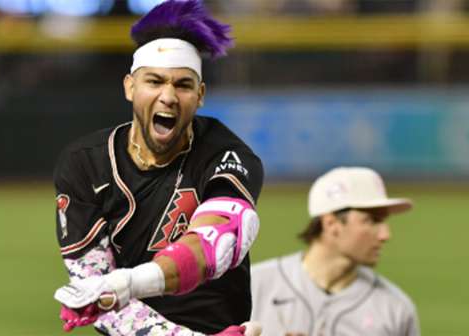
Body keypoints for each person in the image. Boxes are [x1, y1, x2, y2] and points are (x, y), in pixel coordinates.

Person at [51, 1, 264, 335]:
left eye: (183, 85)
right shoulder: (85, 164)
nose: (168, 96)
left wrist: (128, 282)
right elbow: (94, 291)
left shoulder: (224, 152)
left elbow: (215, 244)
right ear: (130, 87)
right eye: (154, 81)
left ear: (201, 94)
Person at [250, 167, 420, 336]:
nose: (385, 235)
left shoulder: (395, 309)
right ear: (331, 223)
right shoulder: (254, 285)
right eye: (372, 220)